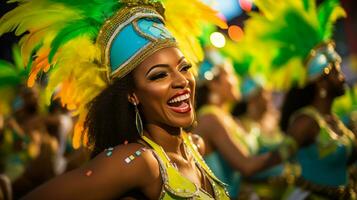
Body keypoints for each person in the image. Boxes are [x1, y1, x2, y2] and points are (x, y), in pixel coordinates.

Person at [0, 0, 230, 199]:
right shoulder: (139, 162)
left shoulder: (195, 145)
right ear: (133, 95)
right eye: (159, 75)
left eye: (184, 67)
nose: (181, 81)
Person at [243, 0, 357, 198]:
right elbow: (278, 157)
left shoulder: (333, 119)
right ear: (321, 83)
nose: (343, 77)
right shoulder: (306, 121)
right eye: (336, 72)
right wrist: (246, 170)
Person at [194, 49, 296, 199]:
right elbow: (247, 166)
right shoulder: (210, 118)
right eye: (231, 74)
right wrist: (292, 145)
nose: (236, 80)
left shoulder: (223, 117)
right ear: (213, 84)